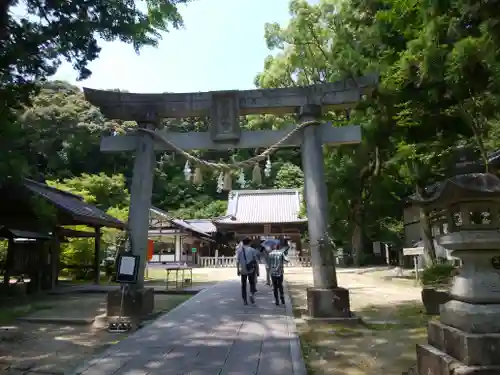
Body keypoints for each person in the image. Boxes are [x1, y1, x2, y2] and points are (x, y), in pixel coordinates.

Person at [236, 237, 259, 305]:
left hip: (243, 270)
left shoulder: (239, 250)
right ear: (249, 243)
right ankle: (251, 294)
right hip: (251, 270)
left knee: (243, 285)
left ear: (243, 243)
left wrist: (238, 270)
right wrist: (257, 271)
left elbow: (237, 261)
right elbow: (255, 262)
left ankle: (245, 300)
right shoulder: (252, 250)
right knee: (252, 283)